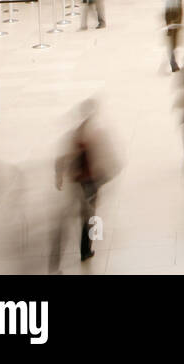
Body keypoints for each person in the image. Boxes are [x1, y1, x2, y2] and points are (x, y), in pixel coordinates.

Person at [51, 100, 118, 269]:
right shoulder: (92, 133)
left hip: (79, 182)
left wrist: (59, 176)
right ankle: (85, 250)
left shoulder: (77, 133)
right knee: (88, 216)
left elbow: (63, 158)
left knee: (84, 216)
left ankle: (81, 250)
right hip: (88, 182)